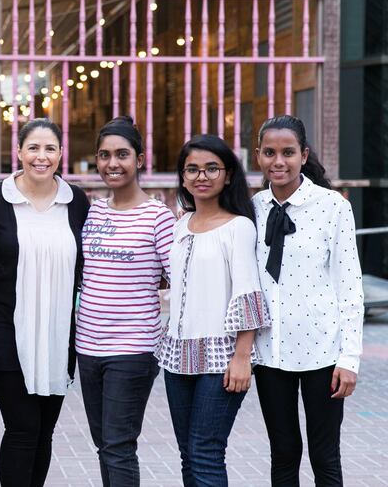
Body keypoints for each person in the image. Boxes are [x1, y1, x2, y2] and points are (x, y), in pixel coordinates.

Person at [252, 115, 363, 486]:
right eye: (269, 152)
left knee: (324, 455)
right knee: (283, 454)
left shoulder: (333, 207)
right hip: (271, 354)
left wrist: (349, 359)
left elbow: (350, 287)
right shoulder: (253, 208)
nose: (278, 161)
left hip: (324, 354)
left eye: (287, 152)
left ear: (304, 155)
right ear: (258, 156)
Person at [154, 134, 270, 486]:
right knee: (188, 454)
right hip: (177, 354)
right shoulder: (179, 225)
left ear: (228, 175)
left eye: (211, 169)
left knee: (206, 451)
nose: (201, 177)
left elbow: (247, 291)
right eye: (192, 169)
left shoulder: (239, 226)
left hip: (220, 357)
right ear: (183, 176)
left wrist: (242, 356)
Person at [0, 118, 90, 487]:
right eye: (33, 148)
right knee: (23, 428)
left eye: (49, 149)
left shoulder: (76, 201)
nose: (41, 157)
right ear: (19, 152)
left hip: (60, 335)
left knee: (44, 432)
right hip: (7, 333)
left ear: (61, 154)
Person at [77, 117, 175, 486]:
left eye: (122, 154)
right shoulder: (93, 212)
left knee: (118, 445)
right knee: (104, 444)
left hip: (133, 349)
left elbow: (179, 280)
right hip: (88, 347)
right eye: (104, 155)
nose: (112, 163)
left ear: (139, 159)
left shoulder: (158, 217)